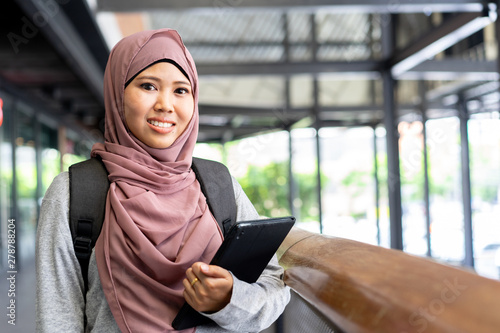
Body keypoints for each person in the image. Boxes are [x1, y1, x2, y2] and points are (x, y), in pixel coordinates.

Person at [36, 28, 290, 332]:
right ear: (117, 95)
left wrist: (229, 300)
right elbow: (57, 320)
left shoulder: (219, 186)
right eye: (148, 86)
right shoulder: (73, 193)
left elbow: (275, 285)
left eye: (181, 90)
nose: (166, 105)